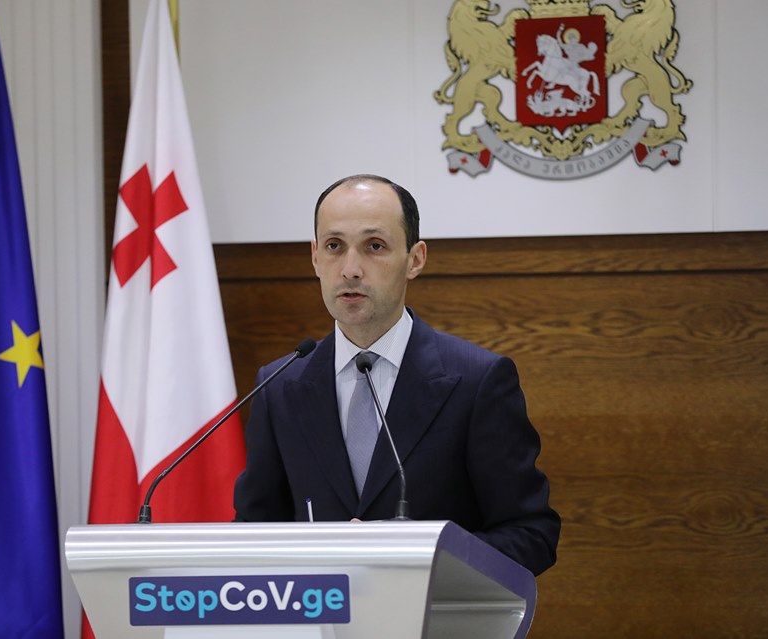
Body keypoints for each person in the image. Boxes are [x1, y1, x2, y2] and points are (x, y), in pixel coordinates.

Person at [233, 174, 560, 576]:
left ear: (415, 259)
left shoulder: (478, 381)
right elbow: (254, 531)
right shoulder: (280, 385)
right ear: (315, 257)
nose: (350, 269)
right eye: (334, 246)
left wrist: (415, 560)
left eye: (375, 246)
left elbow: (531, 534)